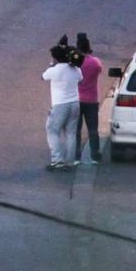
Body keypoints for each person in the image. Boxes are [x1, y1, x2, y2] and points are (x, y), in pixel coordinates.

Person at [42, 42, 82, 171]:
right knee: (71, 133)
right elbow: (80, 79)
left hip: (60, 105)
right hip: (75, 103)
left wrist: (53, 66)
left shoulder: (55, 70)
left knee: (52, 131)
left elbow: (43, 77)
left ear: (55, 58)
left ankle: (57, 160)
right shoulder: (76, 69)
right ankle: (70, 162)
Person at [75, 32, 103, 164]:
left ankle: (76, 156)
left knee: (76, 129)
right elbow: (99, 70)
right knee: (93, 129)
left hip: (77, 99)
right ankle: (95, 155)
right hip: (91, 100)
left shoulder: (75, 63)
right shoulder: (95, 63)